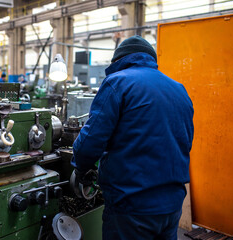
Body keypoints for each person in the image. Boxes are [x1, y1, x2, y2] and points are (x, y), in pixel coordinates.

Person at [71, 35, 194, 240]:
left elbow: (90, 143)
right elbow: (185, 142)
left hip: (132, 206)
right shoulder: (179, 89)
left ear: (117, 61)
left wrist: (81, 167)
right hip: (172, 205)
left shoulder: (117, 83)